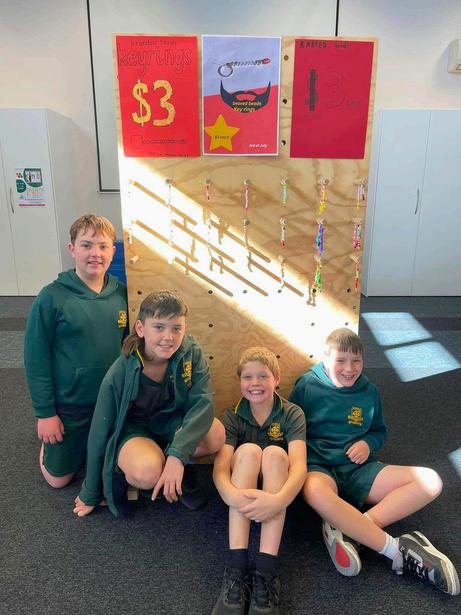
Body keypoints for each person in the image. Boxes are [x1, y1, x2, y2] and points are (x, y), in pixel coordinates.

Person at [290, 327, 459, 596]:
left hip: (359, 469)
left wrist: (367, 443)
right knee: (314, 492)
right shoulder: (307, 385)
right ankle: (395, 551)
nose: (349, 369)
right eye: (341, 360)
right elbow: (290, 427)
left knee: (431, 481)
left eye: (356, 361)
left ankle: (349, 529)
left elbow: (379, 431)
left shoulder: (369, 390)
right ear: (325, 358)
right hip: (319, 467)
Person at [73, 290, 225, 518]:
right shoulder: (122, 369)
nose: (168, 337)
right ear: (140, 328)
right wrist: (91, 491)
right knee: (147, 472)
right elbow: (99, 430)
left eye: (176, 328)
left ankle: (178, 471)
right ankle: (135, 472)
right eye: (159, 327)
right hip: (135, 431)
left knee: (215, 434)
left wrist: (177, 455)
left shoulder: (191, 352)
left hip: (171, 423)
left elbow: (203, 404)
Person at [24, 214, 128, 488]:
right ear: (72, 250)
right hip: (70, 406)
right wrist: (45, 414)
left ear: (113, 251)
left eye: (103, 246)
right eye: (86, 245)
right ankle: (49, 447)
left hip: (109, 403)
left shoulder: (122, 295)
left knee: (118, 471)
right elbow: (36, 360)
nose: (96, 253)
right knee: (58, 480)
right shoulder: (51, 297)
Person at [213, 347, 307, 615]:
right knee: (249, 451)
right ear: (240, 381)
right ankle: (236, 568)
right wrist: (230, 495)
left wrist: (279, 501)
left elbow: (299, 467)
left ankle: (266, 571)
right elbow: (220, 469)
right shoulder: (231, 416)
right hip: (243, 489)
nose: (255, 383)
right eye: (248, 377)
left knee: (275, 453)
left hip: (278, 488)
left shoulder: (292, 414)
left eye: (263, 376)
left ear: (276, 379)